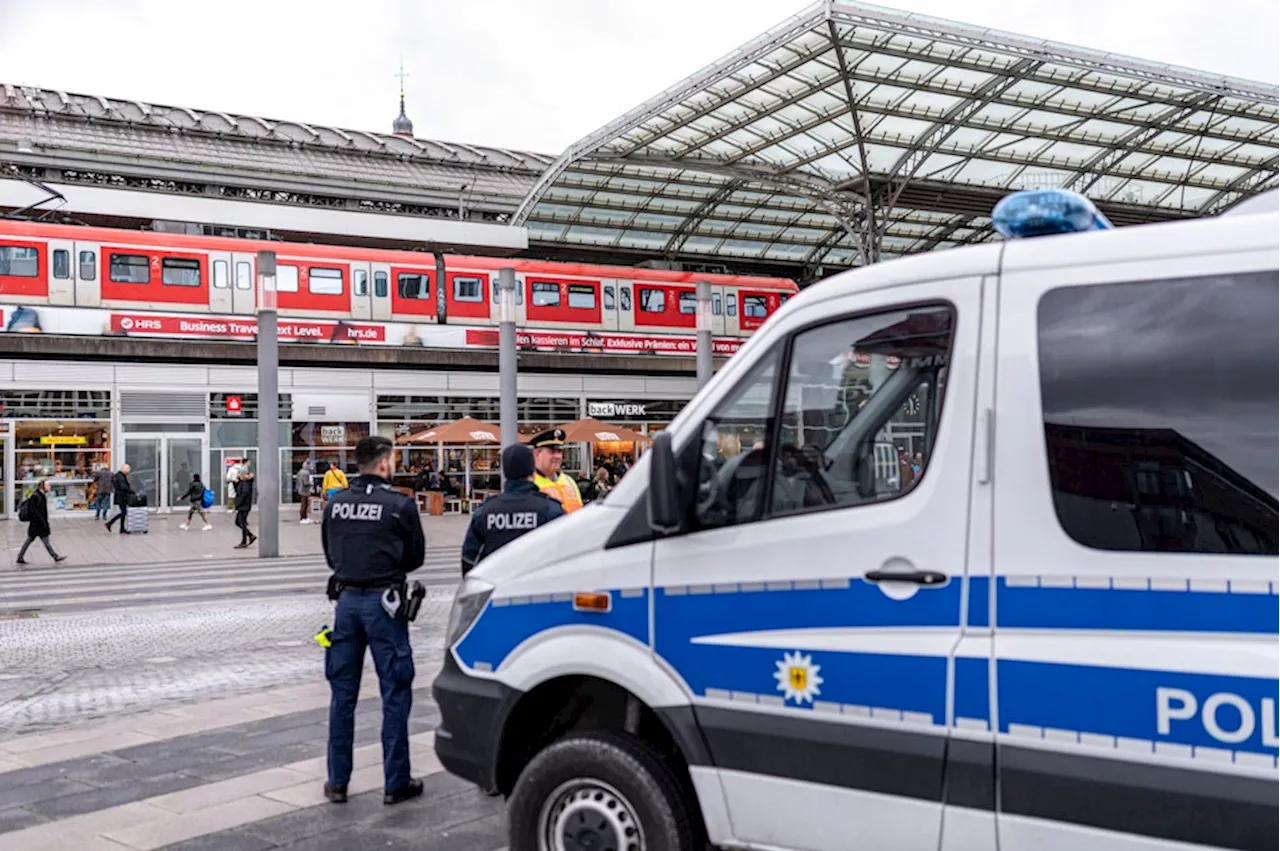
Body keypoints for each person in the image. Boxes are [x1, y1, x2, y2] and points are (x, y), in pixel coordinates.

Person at [321, 435, 426, 806]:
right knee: (395, 691)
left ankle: (337, 782)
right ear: (384, 464)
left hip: (346, 604)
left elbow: (331, 555)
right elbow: (415, 558)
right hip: (386, 605)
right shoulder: (400, 505)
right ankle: (395, 782)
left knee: (342, 695)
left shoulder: (336, 505)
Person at [461, 444, 565, 575]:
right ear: (532, 472)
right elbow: (566, 556)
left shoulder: (484, 513)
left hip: (497, 589)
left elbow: (469, 561)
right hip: (540, 588)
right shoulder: (550, 510)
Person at [528, 428, 584, 513]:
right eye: (552, 451)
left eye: (559, 451)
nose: (557, 456)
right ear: (537, 454)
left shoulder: (569, 481)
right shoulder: (529, 483)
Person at [16, 480, 66, 566]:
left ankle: (20, 557)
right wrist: (42, 522)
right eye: (48, 485)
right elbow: (33, 512)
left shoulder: (41, 496)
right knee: (41, 542)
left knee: (32, 541)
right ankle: (55, 556)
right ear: (43, 487)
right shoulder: (36, 497)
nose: (49, 487)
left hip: (39, 524)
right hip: (38, 525)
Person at [104, 463, 135, 535]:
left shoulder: (120, 475)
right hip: (121, 497)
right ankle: (110, 523)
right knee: (123, 512)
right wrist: (131, 491)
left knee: (123, 512)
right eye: (128, 469)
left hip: (121, 496)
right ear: (124, 469)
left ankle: (121, 528)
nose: (129, 470)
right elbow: (123, 486)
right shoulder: (120, 476)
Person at [233, 462, 257, 549]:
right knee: (240, 522)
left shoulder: (245, 483)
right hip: (244, 506)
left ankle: (249, 537)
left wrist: (238, 504)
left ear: (242, 474)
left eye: (239, 473)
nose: (237, 474)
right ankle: (247, 538)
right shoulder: (243, 482)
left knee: (240, 522)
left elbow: (243, 494)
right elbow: (238, 491)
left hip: (244, 506)